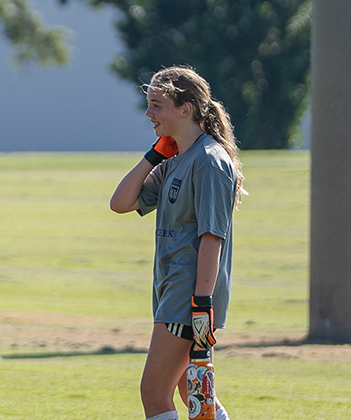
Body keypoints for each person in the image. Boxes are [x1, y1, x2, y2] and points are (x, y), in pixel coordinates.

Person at [110, 65, 244, 420]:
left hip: (189, 297)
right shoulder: (175, 160)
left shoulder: (210, 162)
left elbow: (212, 239)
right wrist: (154, 154)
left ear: (185, 110)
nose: (148, 113)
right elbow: (121, 203)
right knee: (196, 394)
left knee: (154, 394)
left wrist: (201, 305)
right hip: (172, 292)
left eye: (157, 105)